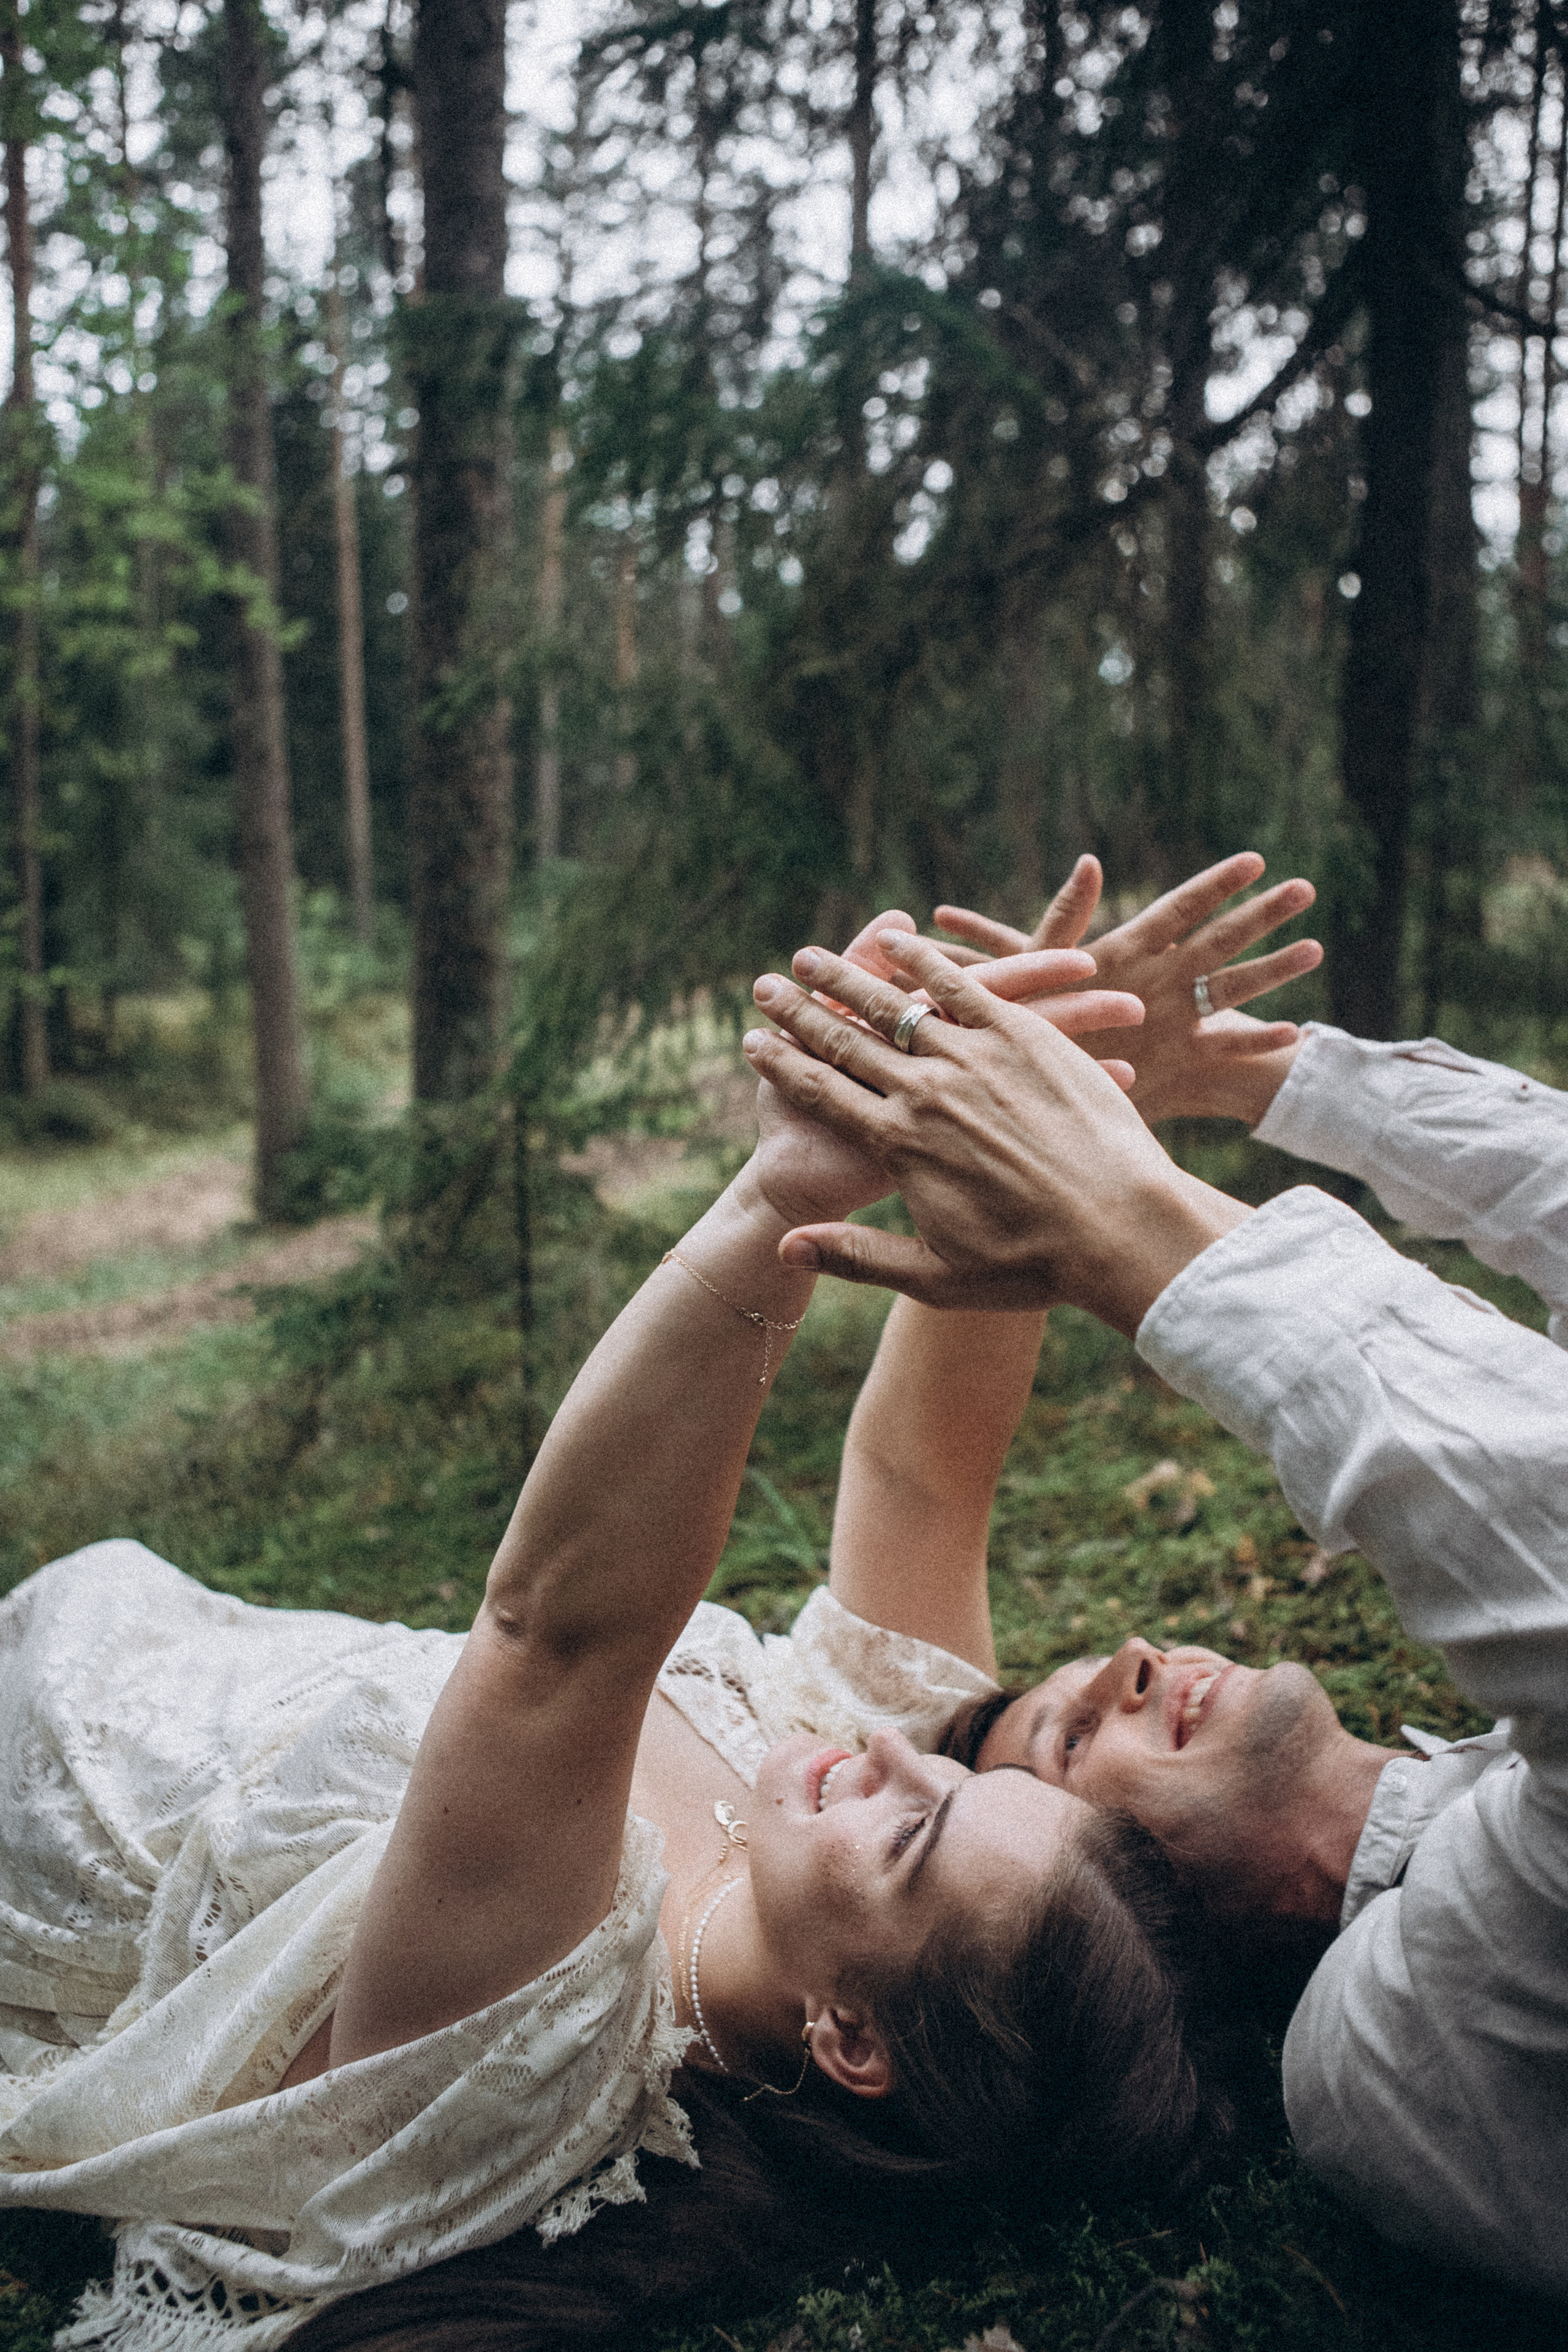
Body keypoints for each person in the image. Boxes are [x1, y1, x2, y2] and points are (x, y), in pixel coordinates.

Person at [0, 975, 1221, 2352]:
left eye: (915, 1832)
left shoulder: (549, 2025)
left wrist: (780, 1203)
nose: (900, 1754)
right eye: (957, 1771)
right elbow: (923, 1481)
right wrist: (1045, 1122)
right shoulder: (823, 1790)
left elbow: (555, 1631)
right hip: (149, 1634)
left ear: (852, 2043)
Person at [742, 909, 1568, 2303]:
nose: (1132, 1657)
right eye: (1070, 1747)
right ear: (1111, 1921)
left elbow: (915, 1476)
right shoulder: (1378, 2050)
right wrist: (1131, 1228)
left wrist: (1258, 1082)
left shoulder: (1496, 1783)